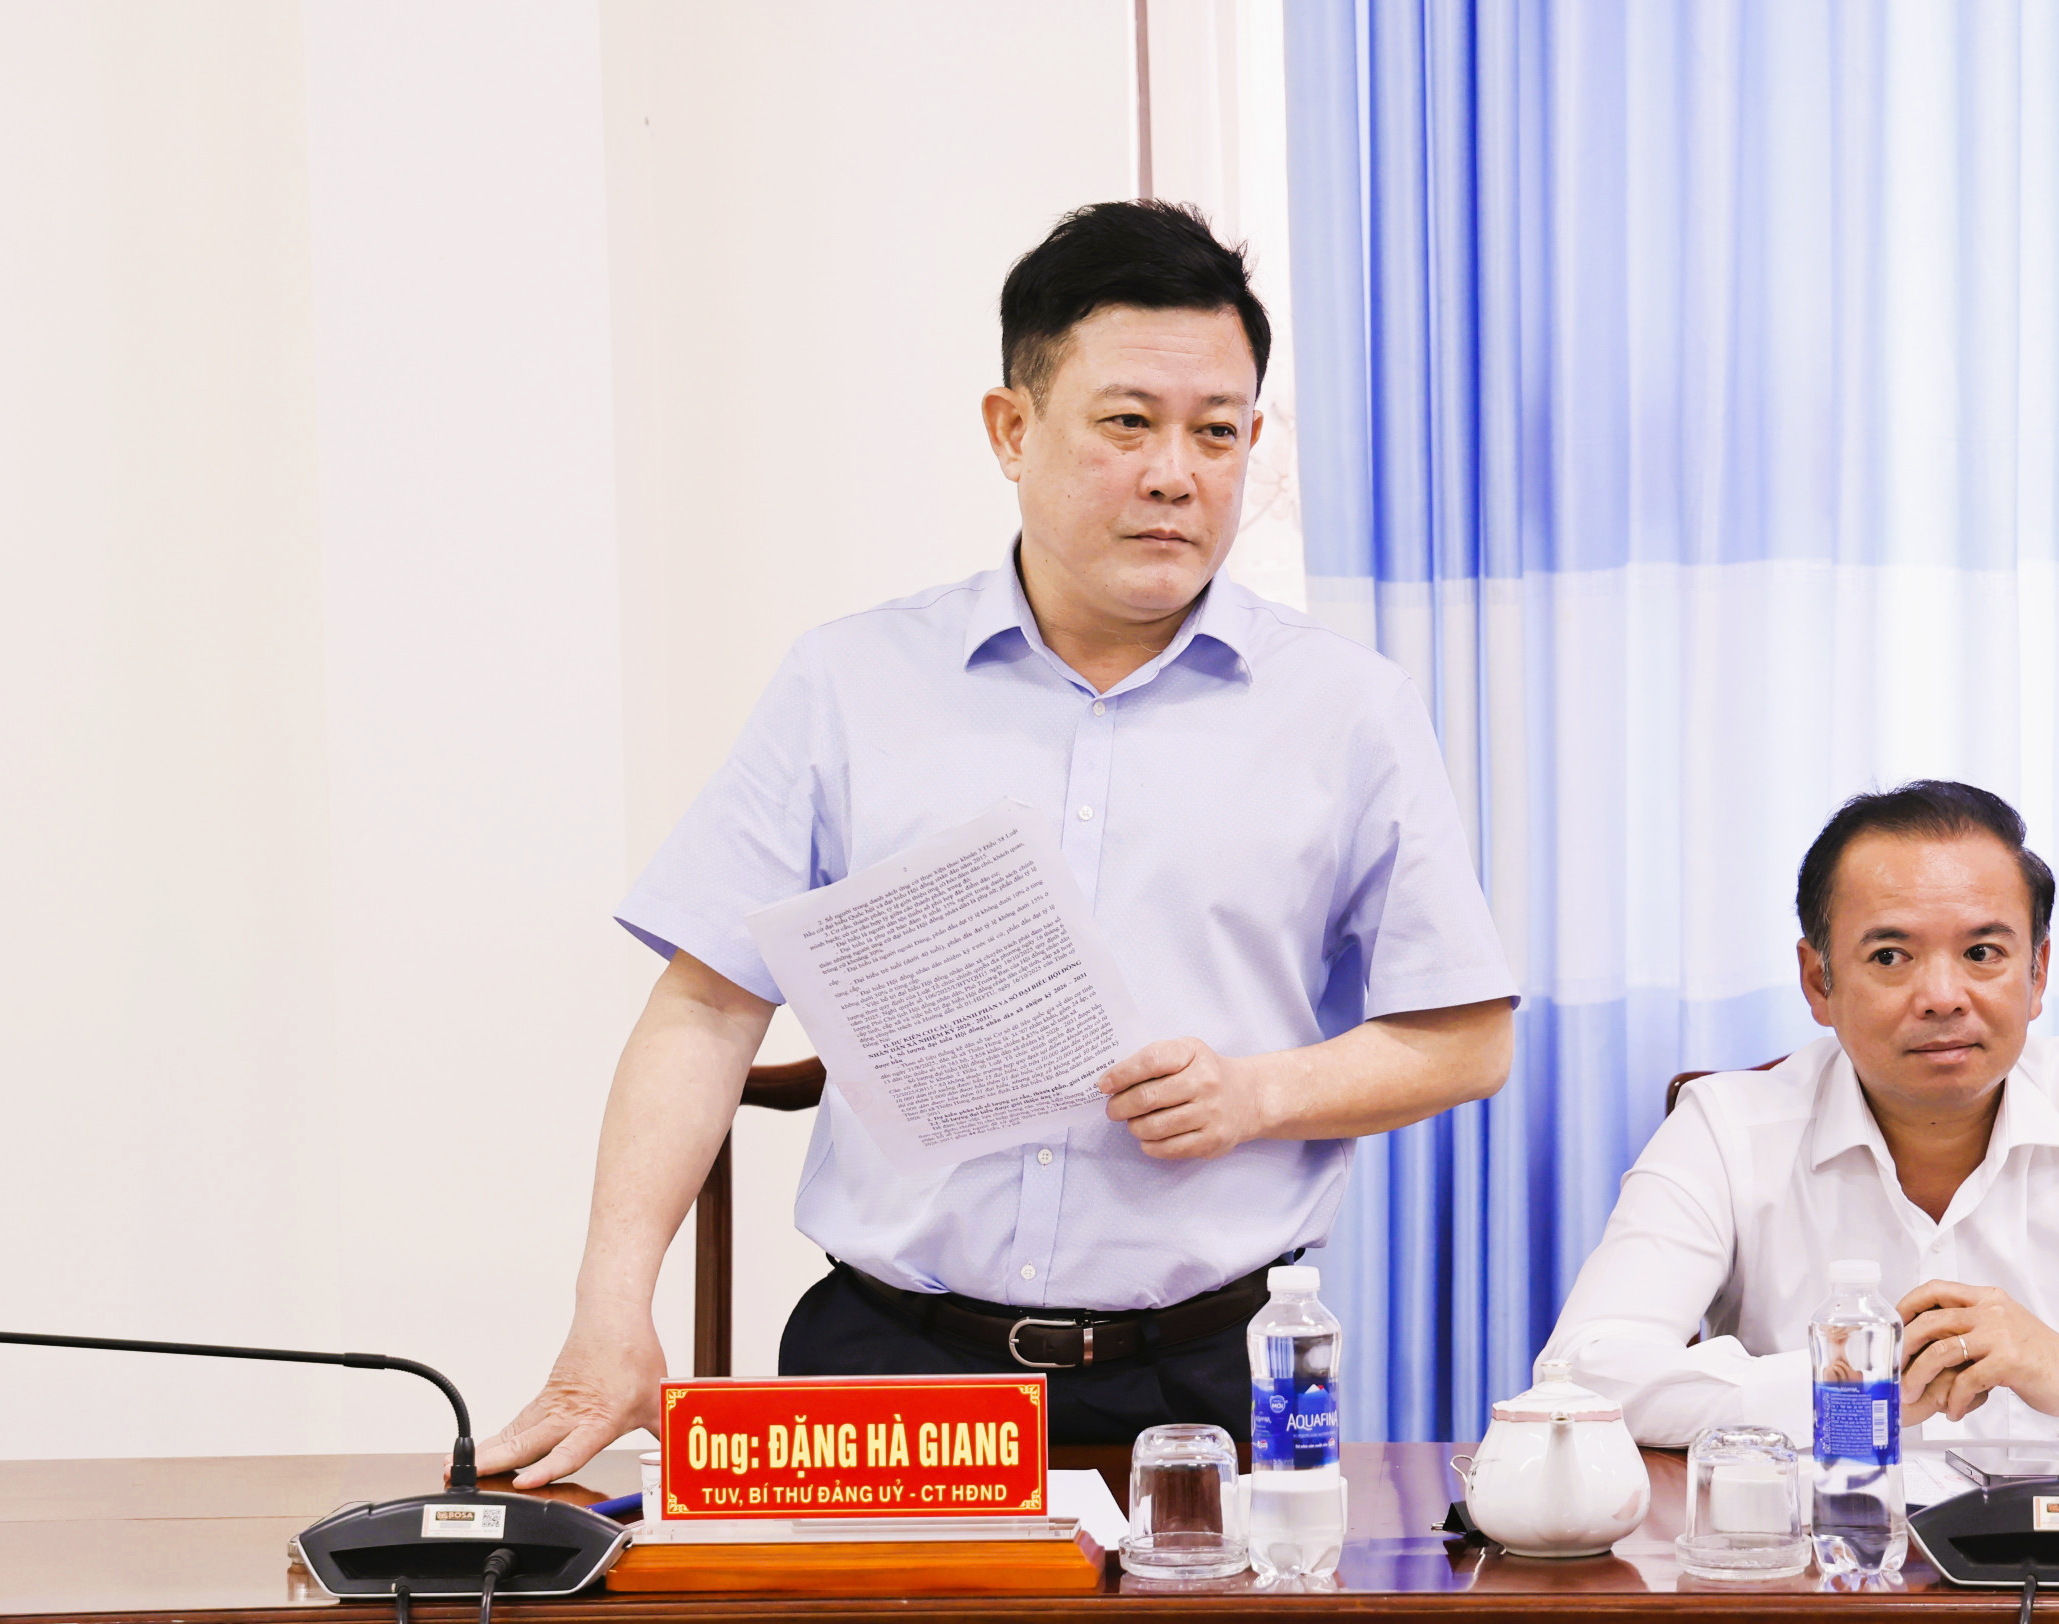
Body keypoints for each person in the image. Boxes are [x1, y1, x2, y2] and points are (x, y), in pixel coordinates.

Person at [477, 201, 1517, 1485]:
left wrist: (1258, 1095)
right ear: (1011, 429)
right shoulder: (853, 682)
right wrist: (609, 1314)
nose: (1176, 474)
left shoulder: (1347, 710)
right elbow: (705, 1005)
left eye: (1218, 431)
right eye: (1127, 421)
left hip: (1203, 1376)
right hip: (891, 1367)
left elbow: (1468, 1038)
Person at [1540, 780, 2059, 1451]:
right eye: (1891, 956)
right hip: (1822, 1558)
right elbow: (1580, 1373)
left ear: (2037, 973)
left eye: (1983, 953)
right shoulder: (1726, 1129)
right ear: (1818, 982)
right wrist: (1848, 1395)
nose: (1943, 996)